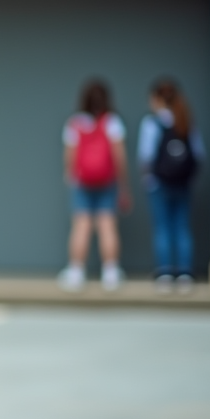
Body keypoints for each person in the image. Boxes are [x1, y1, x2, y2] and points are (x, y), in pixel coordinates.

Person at [57, 79, 132, 292]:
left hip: (82, 181)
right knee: (107, 225)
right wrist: (123, 184)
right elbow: (119, 156)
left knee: (81, 226)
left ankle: (76, 273)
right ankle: (110, 273)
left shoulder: (75, 123)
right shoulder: (112, 122)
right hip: (107, 181)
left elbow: (69, 156)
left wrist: (71, 175)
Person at [137, 78, 205, 292]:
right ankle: (184, 274)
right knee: (182, 227)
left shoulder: (151, 123)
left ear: (157, 99)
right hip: (183, 184)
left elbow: (145, 156)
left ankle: (165, 273)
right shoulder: (185, 120)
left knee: (163, 228)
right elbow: (199, 154)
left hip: (159, 185)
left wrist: (149, 179)